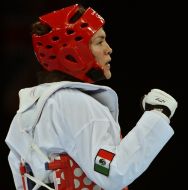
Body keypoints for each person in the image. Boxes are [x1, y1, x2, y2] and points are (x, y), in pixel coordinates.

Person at [5, 3, 178, 190]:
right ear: (73, 52)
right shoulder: (74, 103)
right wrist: (157, 115)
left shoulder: (29, 109)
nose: (108, 49)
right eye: (99, 42)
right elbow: (113, 172)